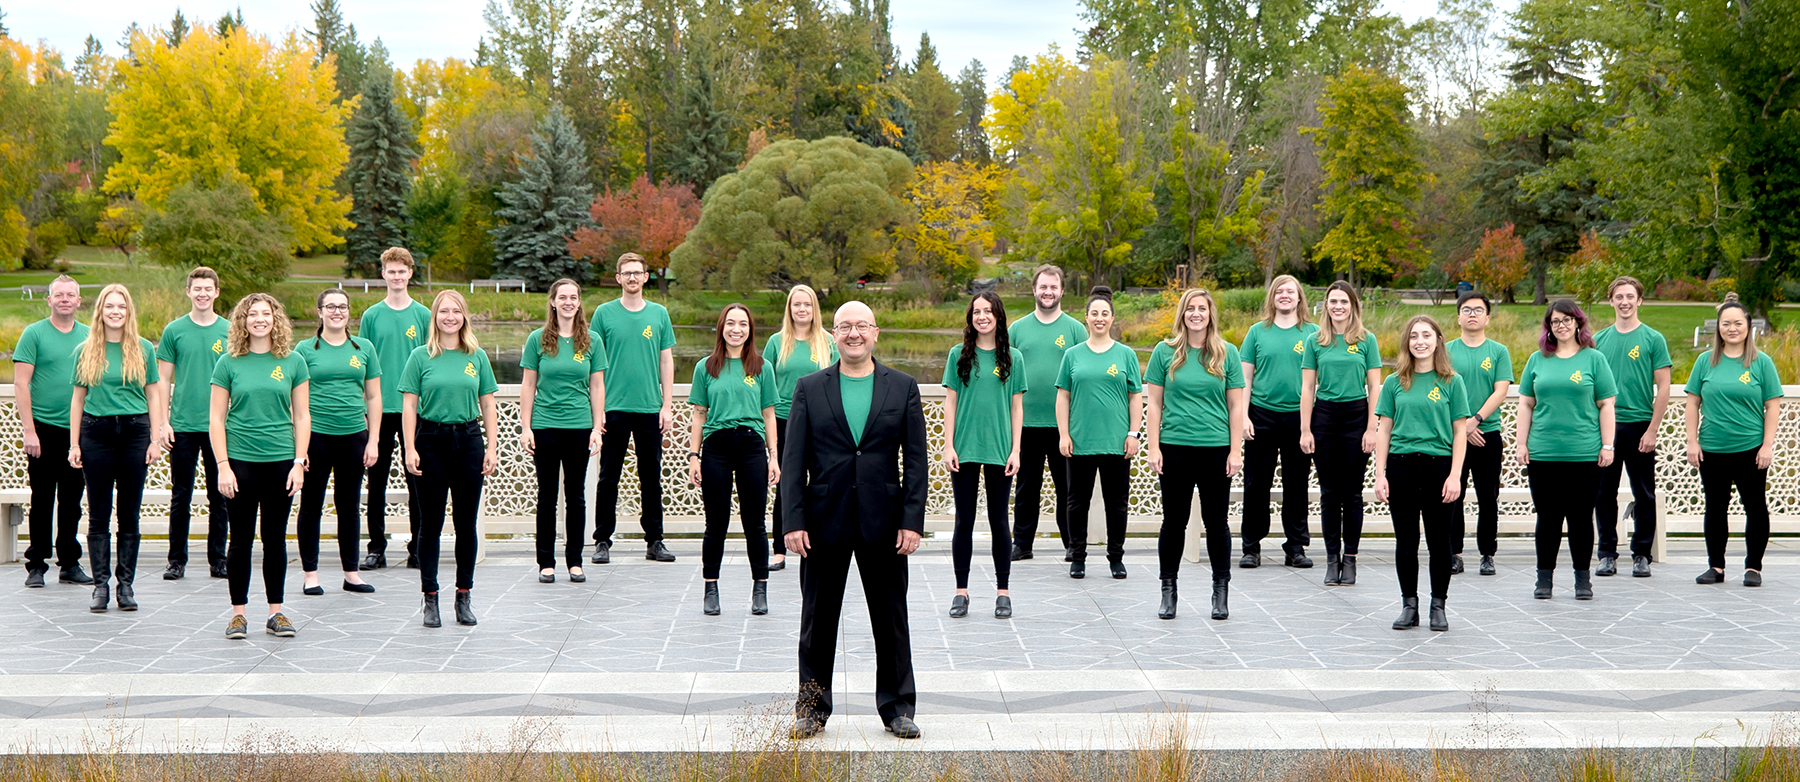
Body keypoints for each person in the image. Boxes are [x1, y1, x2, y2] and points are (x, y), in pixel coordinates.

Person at [782, 301, 927, 742]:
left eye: (862, 326)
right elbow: (793, 461)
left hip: (885, 521)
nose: (854, 334)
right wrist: (792, 521)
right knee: (817, 619)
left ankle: (897, 708)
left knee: (891, 618)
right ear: (833, 335)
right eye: (844, 327)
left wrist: (912, 521)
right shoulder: (810, 388)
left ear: (875, 332)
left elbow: (916, 462)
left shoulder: (902, 387)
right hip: (823, 521)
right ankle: (811, 709)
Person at [210, 293, 311, 639]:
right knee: (239, 541)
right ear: (242, 320)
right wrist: (223, 465)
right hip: (240, 462)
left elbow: (302, 415)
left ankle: (275, 612)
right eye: (252, 314)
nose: (259, 319)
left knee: (275, 539)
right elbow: (216, 419)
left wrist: (299, 462)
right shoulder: (228, 363)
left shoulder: (294, 361)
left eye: (266, 314)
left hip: (281, 462)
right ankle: (238, 614)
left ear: (275, 319)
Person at [401, 290, 500, 628]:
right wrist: (410, 447)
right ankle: (430, 598)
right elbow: (409, 404)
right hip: (430, 441)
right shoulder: (420, 356)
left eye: (456, 311)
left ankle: (463, 596)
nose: (450, 317)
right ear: (435, 317)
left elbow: (487, 403)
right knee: (430, 525)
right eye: (444, 311)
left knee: (465, 525)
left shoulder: (477, 356)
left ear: (464, 317)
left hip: (468, 440)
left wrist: (492, 446)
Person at [1146, 289, 1244, 621]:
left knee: (1217, 524)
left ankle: (1220, 590)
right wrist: (1154, 447)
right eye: (1190, 308)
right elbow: (1154, 404)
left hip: (1216, 450)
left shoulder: (1227, 353)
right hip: (1175, 449)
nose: (1196, 313)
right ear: (1182, 314)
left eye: (1202, 308)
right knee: (1173, 522)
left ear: (1210, 313)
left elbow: (1236, 406)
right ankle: (1168, 590)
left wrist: (1235, 450)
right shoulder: (1165, 352)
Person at [69, 284, 165, 613]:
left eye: (121, 306)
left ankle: (126, 585)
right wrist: (74, 444)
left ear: (129, 311)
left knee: (129, 513)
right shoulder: (86, 350)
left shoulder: (143, 348)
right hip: (96, 433)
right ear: (100, 311)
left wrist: (155, 439)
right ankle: (101, 586)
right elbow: (77, 399)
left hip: (135, 433)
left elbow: (153, 395)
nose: (115, 312)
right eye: (109, 306)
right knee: (99, 513)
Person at [1373, 316, 1470, 632]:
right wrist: (1380, 474)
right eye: (1414, 336)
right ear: (1407, 342)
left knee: (1439, 542)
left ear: (1438, 340)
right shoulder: (1394, 382)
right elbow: (1384, 430)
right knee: (1406, 541)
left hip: (1439, 467)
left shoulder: (1452, 382)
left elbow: (1460, 432)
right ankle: (1409, 605)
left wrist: (1455, 475)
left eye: (1426, 335)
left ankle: (1438, 606)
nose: (1420, 341)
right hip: (1401, 467)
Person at [1515, 300, 1616, 600]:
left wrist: (1607, 445)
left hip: (1584, 454)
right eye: (1555, 321)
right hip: (1543, 454)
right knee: (1547, 518)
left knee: (1581, 519)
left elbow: (1606, 404)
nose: (1561, 326)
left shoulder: (1594, 359)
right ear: (1549, 326)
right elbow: (1526, 403)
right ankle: (1543, 579)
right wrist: (1521, 443)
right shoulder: (1537, 360)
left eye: (1567, 320)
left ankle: (1582, 579)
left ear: (1578, 323)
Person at [1684, 294, 1782, 587]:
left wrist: (1767, 445)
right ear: (1719, 327)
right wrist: (1692, 441)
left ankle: (1753, 567)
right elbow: (1692, 403)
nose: (1732, 328)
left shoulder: (1761, 363)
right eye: (1726, 323)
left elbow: (1773, 406)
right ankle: (1716, 566)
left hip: (1750, 449)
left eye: (1738, 323)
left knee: (1755, 507)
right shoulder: (1705, 361)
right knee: (1715, 508)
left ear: (1748, 326)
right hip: (1712, 449)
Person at [687, 303, 778, 616]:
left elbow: (769, 414)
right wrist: (694, 456)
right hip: (716, 447)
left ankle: (760, 588)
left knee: (755, 523)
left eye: (742, 324)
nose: (736, 329)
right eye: (730, 323)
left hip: (752, 446)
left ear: (750, 329)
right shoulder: (706, 367)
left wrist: (773, 456)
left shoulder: (762, 367)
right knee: (716, 523)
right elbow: (699, 415)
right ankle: (710, 588)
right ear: (721, 327)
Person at [941, 291, 1026, 619]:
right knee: (964, 520)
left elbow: (1017, 407)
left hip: (1000, 449)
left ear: (998, 316)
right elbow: (950, 403)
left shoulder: (1013, 358)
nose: (982, 317)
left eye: (988, 311)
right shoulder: (958, 355)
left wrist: (1016, 450)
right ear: (970, 317)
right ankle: (961, 591)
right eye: (977, 311)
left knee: (999, 520)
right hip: (964, 448)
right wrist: (948, 445)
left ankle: (1003, 592)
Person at [592, 252, 678, 564]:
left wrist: (666, 405)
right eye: (626, 273)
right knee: (608, 477)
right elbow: (594, 367)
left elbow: (666, 361)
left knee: (651, 477)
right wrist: (598, 410)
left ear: (645, 277)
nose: (632, 277)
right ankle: (602, 540)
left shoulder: (658, 314)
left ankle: (655, 540)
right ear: (618, 278)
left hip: (649, 408)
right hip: (613, 408)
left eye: (637, 273)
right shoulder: (603, 314)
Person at [520, 279, 607, 583]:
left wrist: (597, 427)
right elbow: (528, 385)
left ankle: (575, 561)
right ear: (553, 302)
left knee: (576, 496)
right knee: (547, 496)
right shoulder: (538, 339)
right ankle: (546, 562)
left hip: (579, 426)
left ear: (579, 302)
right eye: (562, 297)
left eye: (573, 297)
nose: (568, 302)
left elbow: (597, 386)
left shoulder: (592, 340)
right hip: (545, 426)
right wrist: (526, 427)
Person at [294, 288, 380, 595]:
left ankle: (351, 573)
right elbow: (295, 401)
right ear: (319, 312)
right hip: (316, 437)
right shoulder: (304, 350)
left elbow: (373, 396)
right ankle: (310, 574)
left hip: (354, 435)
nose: (336, 312)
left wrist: (373, 440)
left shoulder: (364, 348)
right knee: (311, 505)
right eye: (330, 306)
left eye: (342, 307)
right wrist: (299, 447)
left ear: (348, 312)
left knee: (349, 505)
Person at [1057, 286, 1144, 581]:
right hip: (1080, 441)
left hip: (1116, 442)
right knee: (1076, 502)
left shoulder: (1126, 354)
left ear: (1112, 318)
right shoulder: (1072, 355)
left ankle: (1116, 557)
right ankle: (1077, 557)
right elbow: (1063, 397)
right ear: (1086, 317)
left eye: (1105, 313)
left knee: (1117, 504)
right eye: (1094, 313)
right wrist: (1064, 434)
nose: (1099, 318)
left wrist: (1133, 433)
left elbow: (1135, 397)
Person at [1300, 281, 1381, 587]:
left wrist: (1371, 427)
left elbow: (1374, 387)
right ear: (1326, 306)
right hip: (1324, 417)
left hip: (1356, 416)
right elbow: (1308, 387)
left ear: (1353, 306)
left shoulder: (1366, 340)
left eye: (1344, 302)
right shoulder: (1315, 341)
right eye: (1333, 301)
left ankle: (1351, 559)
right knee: (1330, 493)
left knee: (1353, 493)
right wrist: (1305, 429)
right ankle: (1332, 558)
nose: (1338, 306)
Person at [14, 275, 92, 589]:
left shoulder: (89, 336)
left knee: (72, 501)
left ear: (78, 301)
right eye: (58, 295)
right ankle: (36, 564)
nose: (64, 299)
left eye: (70, 295)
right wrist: (29, 431)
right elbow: (21, 384)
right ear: (49, 300)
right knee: (43, 499)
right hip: (43, 430)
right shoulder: (34, 334)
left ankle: (69, 562)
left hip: (78, 433)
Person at [155, 267, 231, 581]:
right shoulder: (174, 330)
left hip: (219, 426)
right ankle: (176, 560)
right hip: (183, 425)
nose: (202, 294)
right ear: (188, 292)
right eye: (197, 288)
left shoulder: (229, 330)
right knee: (180, 496)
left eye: (208, 289)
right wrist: (163, 422)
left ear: (216, 292)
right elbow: (162, 379)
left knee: (220, 496)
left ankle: (219, 559)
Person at [1592, 276, 1670, 578]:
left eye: (1630, 296)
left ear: (1639, 300)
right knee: (1603, 493)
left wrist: (1652, 430)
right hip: (1606, 427)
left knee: (1644, 493)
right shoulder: (1598, 340)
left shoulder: (1653, 339)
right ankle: (1606, 554)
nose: (1624, 302)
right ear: (1611, 300)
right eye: (1619, 296)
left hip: (1639, 426)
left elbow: (1663, 387)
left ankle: (1641, 554)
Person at [358, 247, 431, 569]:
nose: (397, 276)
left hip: (415, 409)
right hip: (380, 408)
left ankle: (418, 547)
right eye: (392, 271)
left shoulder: (423, 315)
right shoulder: (372, 316)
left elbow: (431, 360)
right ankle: (376, 547)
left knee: (417, 479)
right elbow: (362, 362)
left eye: (402, 271)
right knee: (377, 481)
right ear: (383, 274)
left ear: (410, 274)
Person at [1238, 275, 1318, 569]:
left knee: (1296, 484)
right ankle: (1251, 546)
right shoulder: (1257, 332)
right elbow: (1245, 378)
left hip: (1300, 418)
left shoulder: (1313, 333)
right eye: (1279, 291)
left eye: (1290, 291)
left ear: (1299, 297)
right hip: (1262, 414)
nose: (1285, 295)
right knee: (1256, 483)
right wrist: (1244, 415)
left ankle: (1295, 546)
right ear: (1272, 297)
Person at [1007, 265, 1085, 562]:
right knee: (1027, 487)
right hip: (1025, 422)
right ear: (1034, 290)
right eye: (1043, 287)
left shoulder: (1075, 330)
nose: (1048, 292)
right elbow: (1005, 372)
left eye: (1053, 287)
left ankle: (1073, 543)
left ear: (1062, 290)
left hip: (1065, 425)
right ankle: (1022, 543)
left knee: (1068, 488)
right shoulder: (1017, 330)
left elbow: (1085, 373)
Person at [764, 284, 835, 572]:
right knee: (787, 485)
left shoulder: (828, 342)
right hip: (783, 421)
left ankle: (821, 542)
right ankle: (779, 550)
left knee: (821, 485)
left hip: (820, 422)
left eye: (807, 304)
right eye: (797, 304)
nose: (802, 309)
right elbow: (764, 384)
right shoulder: (776, 342)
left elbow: (838, 380)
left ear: (814, 309)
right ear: (790, 309)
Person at [1447, 291, 1512, 576]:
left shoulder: (1498, 351)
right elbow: (1442, 390)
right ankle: (1454, 553)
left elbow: (1501, 390)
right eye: (1466, 309)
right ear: (1458, 317)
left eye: (1478, 310)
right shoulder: (1445, 350)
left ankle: (1487, 554)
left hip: (1488, 433)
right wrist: (1463, 426)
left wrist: (1476, 420)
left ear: (1487, 318)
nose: (1472, 314)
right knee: (1453, 494)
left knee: (1488, 497)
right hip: (1453, 435)